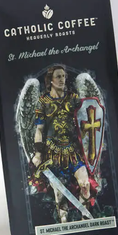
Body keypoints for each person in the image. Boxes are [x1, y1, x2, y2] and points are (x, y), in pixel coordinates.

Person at [32, 65, 91, 221]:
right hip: (53, 153)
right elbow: (39, 130)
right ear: (50, 80)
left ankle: (85, 221)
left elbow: (85, 121)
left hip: (73, 150)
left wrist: (87, 142)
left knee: (85, 184)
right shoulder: (43, 102)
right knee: (60, 193)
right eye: (58, 76)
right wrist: (38, 153)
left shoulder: (74, 98)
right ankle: (64, 224)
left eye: (63, 76)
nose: (62, 79)